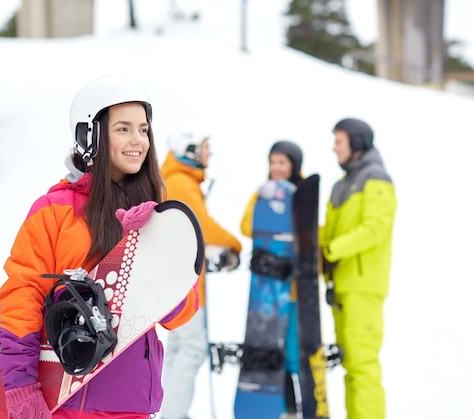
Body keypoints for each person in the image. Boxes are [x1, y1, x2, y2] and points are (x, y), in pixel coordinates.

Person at [0, 75, 199, 419]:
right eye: (123, 129)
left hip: (135, 402)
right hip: (69, 402)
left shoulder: (154, 213)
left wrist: (151, 250)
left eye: (144, 129)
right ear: (89, 135)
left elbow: (181, 314)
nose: (138, 140)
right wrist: (20, 386)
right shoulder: (54, 210)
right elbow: (22, 295)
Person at [159, 130, 242, 419]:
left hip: (178, 280)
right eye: (206, 148)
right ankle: (173, 413)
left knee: (180, 348)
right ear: (192, 150)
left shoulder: (178, 180)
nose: (210, 153)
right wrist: (234, 244)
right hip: (186, 284)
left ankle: (170, 410)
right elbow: (201, 225)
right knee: (191, 349)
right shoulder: (181, 183)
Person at [320, 118, 397, 419]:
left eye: (339, 141)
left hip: (363, 287)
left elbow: (375, 228)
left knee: (362, 366)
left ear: (357, 143)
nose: (334, 148)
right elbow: (331, 231)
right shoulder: (343, 184)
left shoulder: (376, 178)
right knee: (352, 365)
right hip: (342, 285)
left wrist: (332, 251)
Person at [239, 140, 304, 417]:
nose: (276, 168)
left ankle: (291, 410)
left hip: (293, 294)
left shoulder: (303, 196)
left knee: (291, 357)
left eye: (282, 163)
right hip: (266, 294)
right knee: (269, 353)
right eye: (273, 162)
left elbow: (313, 236)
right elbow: (246, 226)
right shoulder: (262, 195)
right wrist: (263, 201)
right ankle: (275, 410)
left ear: (294, 165)